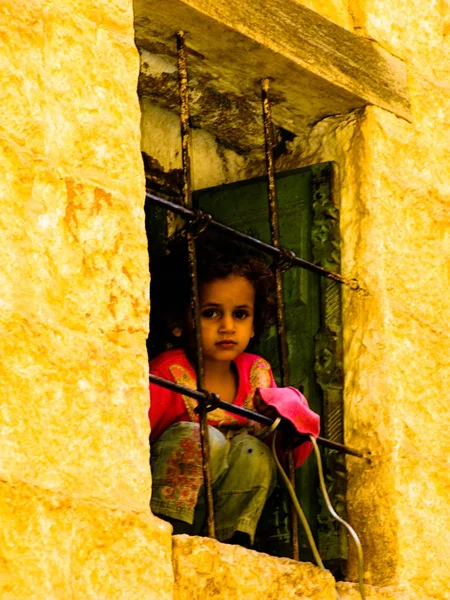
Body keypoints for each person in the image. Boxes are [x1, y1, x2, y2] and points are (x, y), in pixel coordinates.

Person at [148, 231, 319, 546]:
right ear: (177, 321)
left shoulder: (258, 373)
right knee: (205, 438)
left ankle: (231, 542)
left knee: (254, 452)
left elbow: (289, 454)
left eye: (240, 314)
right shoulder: (167, 373)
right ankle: (172, 530)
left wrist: (283, 418)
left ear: (254, 324)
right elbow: (134, 439)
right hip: (167, 511)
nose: (227, 326)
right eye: (210, 313)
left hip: (221, 510)